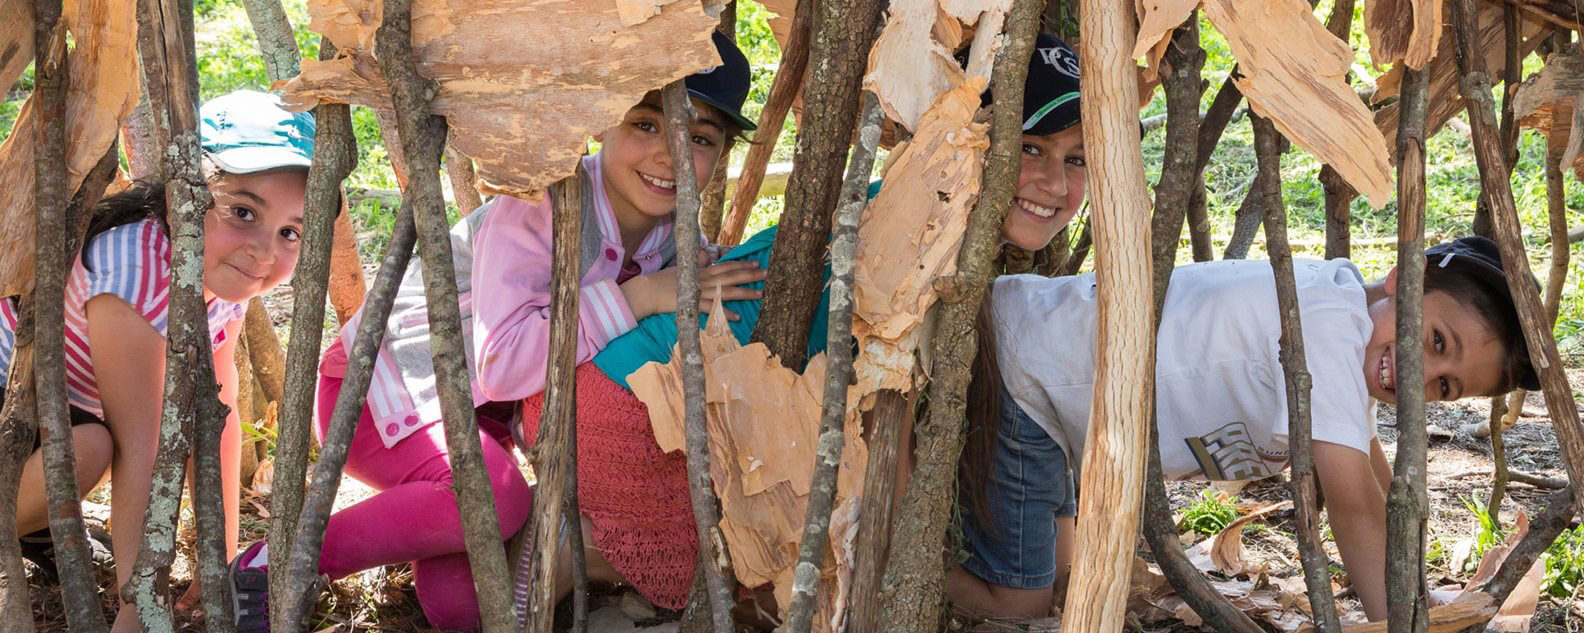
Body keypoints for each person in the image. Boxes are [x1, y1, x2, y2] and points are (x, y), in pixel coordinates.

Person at [516, 32, 1090, 613]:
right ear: (966, 139)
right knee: (774, 560)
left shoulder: (945, 223)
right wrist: (903, 563)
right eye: (1029, 148)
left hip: (670, 402)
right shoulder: (919, 226)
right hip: (634, 410)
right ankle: (580, 544)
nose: (1054, 184)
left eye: (1076, 158)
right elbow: (879, 412)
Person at [228, 32, 766, 632]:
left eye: (698, 138)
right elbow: (505, 365)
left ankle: (437, 518)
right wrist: (638, 297)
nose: (668, 154)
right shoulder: (539, 203)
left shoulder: (670, 235)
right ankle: (278, 563)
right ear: (598, 123)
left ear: (720, 156)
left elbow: (686, 281)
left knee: (464, 610)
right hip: (383, 393)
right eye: (645, 124)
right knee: (496, 498)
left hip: (470, 418)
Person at [947, 236, 1538, 621]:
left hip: (1052, 402)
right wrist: (1400, 623)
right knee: (1020, 604)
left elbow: (1374, 482)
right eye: (1436, 342)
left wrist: (1420, 599)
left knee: (1065, 580)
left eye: (1444, 386)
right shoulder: (1329, 331)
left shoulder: (1345, 330)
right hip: (1022, 375)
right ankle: (911, 550)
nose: (1420, 376)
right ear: (1404, 279)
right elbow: (1353, 504)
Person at [0, 90, 316, 633]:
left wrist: (216, 559)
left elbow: (215, 410)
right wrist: (137, 606)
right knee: (90, 449)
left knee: (87, 443)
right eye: (243, 212)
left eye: (290, 231)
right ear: (182, 199)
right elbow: (141, 448)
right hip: (15, 411)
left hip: (55, 418)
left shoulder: (222, 279)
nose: (265, 252)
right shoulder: (134, 274)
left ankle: (33, 527)